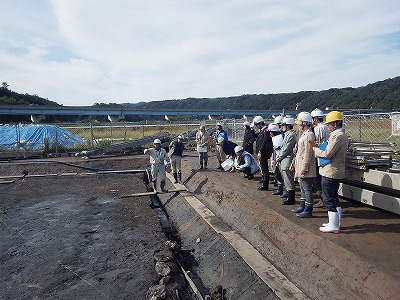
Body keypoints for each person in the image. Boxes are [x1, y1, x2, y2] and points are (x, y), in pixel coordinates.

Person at [311, 111, 349, 233]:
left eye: (329, 124)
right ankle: (335, 223)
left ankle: (333, 225)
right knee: (334, 198)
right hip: (335, 171)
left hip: (330, 172)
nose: (328, 127)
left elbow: (327, 153)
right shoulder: (342, 135)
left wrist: (316, 150)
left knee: (328, 199)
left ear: (334, 123)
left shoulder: (336, 136)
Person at [292, 112, 317, 217]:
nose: (298, 126)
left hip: (306, 167)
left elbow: (308, 152)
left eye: (299, 123)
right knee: (302, 187)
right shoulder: (304, 134)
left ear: (305, 123)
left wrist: (304, 167)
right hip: (301, 166)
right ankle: (302, 206)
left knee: (307, 189)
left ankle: (308, 209)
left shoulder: (310, 135)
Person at [311, 108, 330, 207]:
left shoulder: (318, 128)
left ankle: (322, 199)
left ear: (315, 119)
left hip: (320, 154)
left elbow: (318, 143)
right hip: (326, 154)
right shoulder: (326, 127)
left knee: (317, 178)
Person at [277, 116, 297, 204]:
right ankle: (289, 195)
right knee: (286, 179)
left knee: (289, 180)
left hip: (287, 159)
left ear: (288, 126)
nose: (282, 127)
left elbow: (287, 148)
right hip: (284, 159)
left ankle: (291, 198)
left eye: (284, 125)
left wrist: (279, 156)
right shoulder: (288, 134)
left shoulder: (291, 135)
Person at [253, 116, 273, 190]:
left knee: (265, 169)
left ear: (260, 124)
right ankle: (264, 181)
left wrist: (260, 152)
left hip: (263, 153)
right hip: (262, 153)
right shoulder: (263, 131)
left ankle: (265, 184)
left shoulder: (265, 131)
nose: (256, 127)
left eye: (257, 125)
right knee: (263, 168)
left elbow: (264, 142)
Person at [269, 123, 285, 195]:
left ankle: (284, 189)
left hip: (282, 157)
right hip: (276, 155)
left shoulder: (282, 136)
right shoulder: (275, 138)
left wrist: (278, 148)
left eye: (271, 132)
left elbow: (285, 147)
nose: (270, 133)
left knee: (282, 173)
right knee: (276, 172)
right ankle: (280, 188)